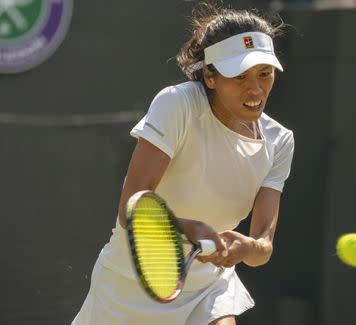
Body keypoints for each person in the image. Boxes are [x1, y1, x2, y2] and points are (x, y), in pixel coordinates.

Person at [72, 2, 294, 325]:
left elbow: (263, 247)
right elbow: (129, 209)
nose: (256, 89)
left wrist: (247, 247)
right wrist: (189, 228)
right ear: (210, 75)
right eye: (240, 75)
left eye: (265, 74)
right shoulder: (177, 105)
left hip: (208, 285)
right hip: (128, 283)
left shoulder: (280, 141)